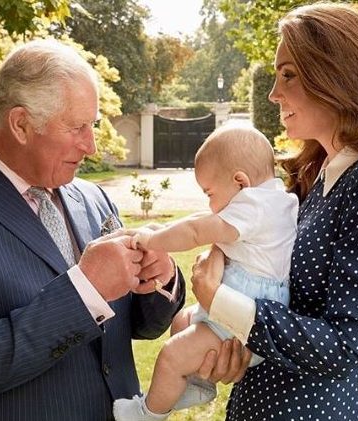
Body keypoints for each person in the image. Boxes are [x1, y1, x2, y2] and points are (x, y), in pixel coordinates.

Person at [0, 39, 198, 421]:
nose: (90, 146)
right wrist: (86, 288)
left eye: (92, 125)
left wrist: (162, 277)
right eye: (77, 127)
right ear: (21, 124)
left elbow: (139, 326)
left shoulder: (94, 199)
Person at [190, 3, 358, 420]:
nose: (273, 93)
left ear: (339, 75)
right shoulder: (316, 175)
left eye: (288, 74)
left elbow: (344, 345)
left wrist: (220, 301)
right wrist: (229, 338)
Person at [113, 124, 299, 420]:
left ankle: (147, 413)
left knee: (171, 355)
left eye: (210, 192)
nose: (209, 203)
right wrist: (159, 229)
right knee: (182, 320)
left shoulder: (254, 206)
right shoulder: (274, 199)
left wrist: (152, 240)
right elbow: (203, 218)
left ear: (240, 182)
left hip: (243, 312)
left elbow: (197, 229)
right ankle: (195, 384)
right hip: (247, 301)